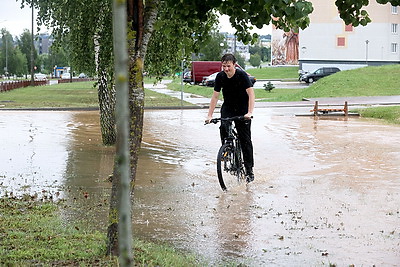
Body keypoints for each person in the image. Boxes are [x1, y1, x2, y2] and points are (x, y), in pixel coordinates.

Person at [206, 53, 255, 183]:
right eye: (224, 66)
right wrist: (209, 115)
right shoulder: (220, 77)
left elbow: (251, 94)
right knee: (223, 126)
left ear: (234, 64)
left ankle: (249, 170)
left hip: (242, 108)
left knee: (245, 139)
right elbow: (215, 97)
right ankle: (226, 150)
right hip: (228, 107)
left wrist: (249, 112)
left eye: (228, 66)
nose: (226, 69)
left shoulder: (242, 75)